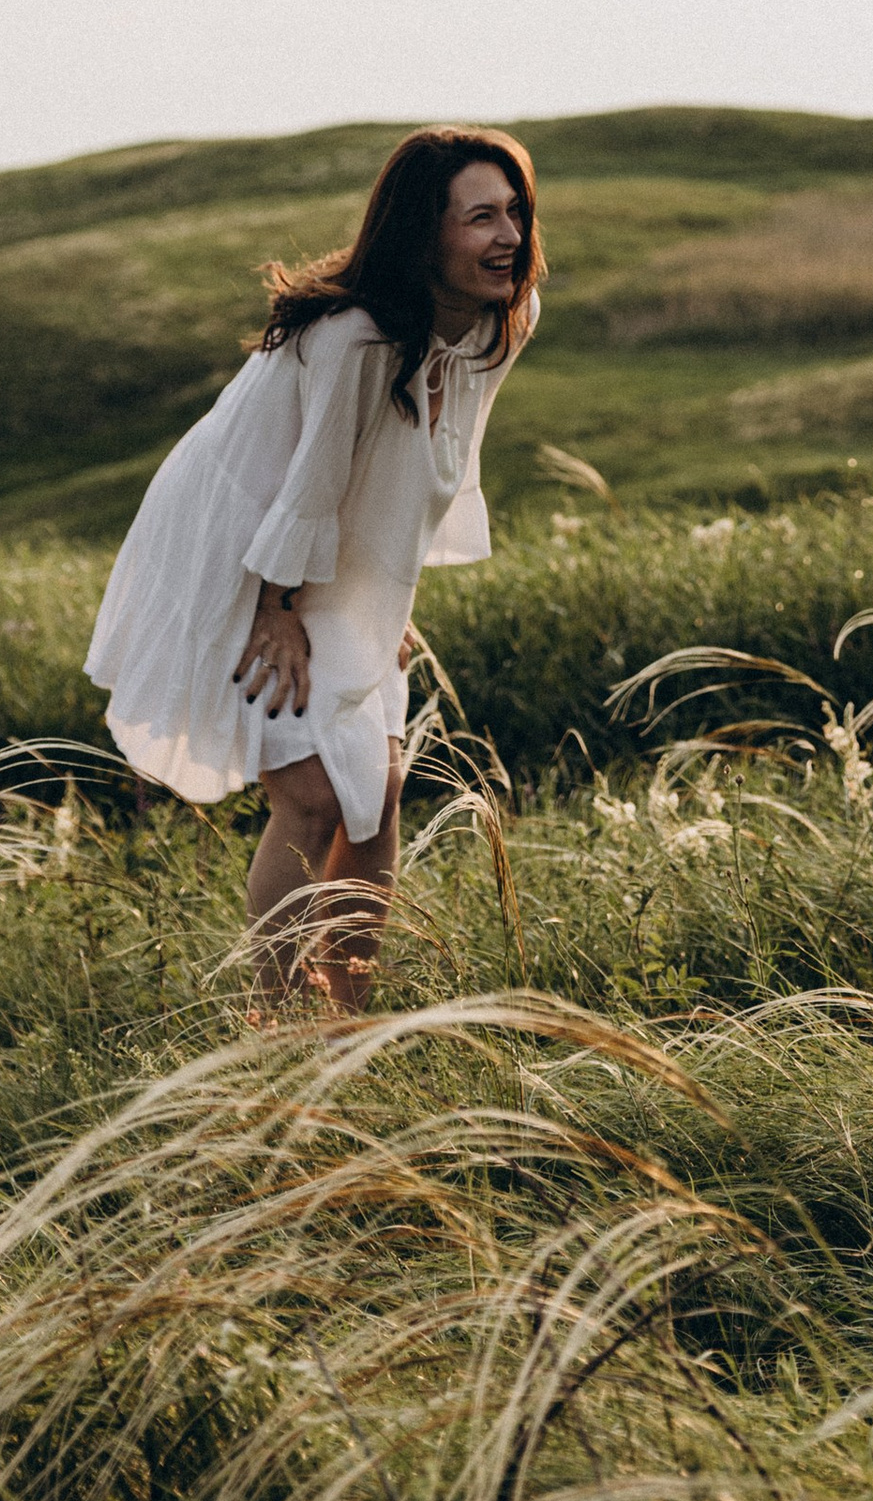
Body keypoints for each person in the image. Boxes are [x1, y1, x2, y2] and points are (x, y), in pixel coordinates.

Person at [86, 126, 544, 1011]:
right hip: (239, 543)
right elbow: (311, 481)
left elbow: (419, 464)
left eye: (515, 212)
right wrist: (273, 607)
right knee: (313, 790)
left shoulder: (504, 319)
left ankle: (348, 1019)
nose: (508, 237)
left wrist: (378, 596)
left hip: (335, 555)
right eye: (479, 217)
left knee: (381, 784)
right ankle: (284, 1023)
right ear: (424, 235)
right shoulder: (355, 337)